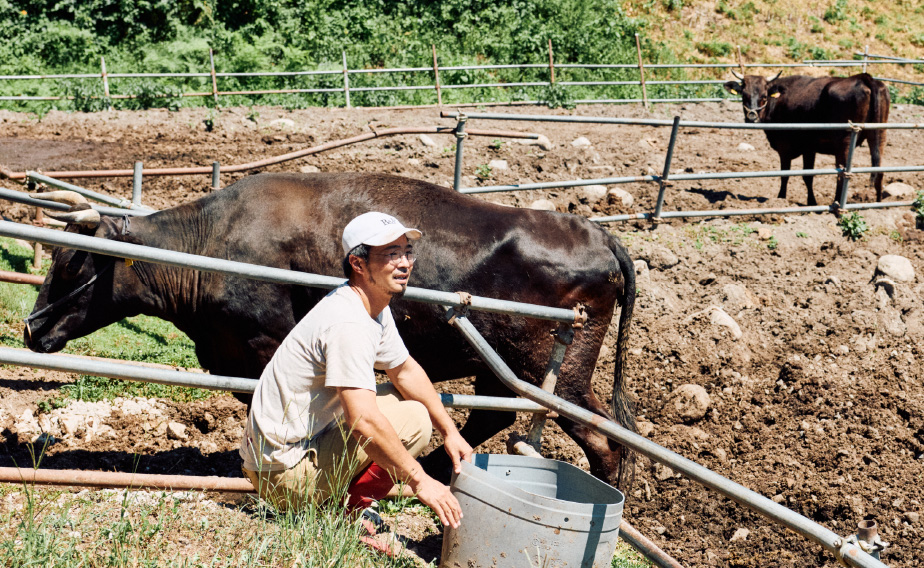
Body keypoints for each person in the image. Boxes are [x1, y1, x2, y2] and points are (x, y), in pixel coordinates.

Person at [240, 211, 472, 537]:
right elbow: (362, 421)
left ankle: (339, 503)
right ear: (358, 264)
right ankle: (344, 513)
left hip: (290, 452)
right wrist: (421, 481)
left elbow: (404, 371)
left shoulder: (370, 305)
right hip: (284, 475)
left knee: (407, 402)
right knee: (414, 419)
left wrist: (449, 431)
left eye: (407, 252)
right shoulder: (348, 323)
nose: (404, 263)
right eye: (391, 254)